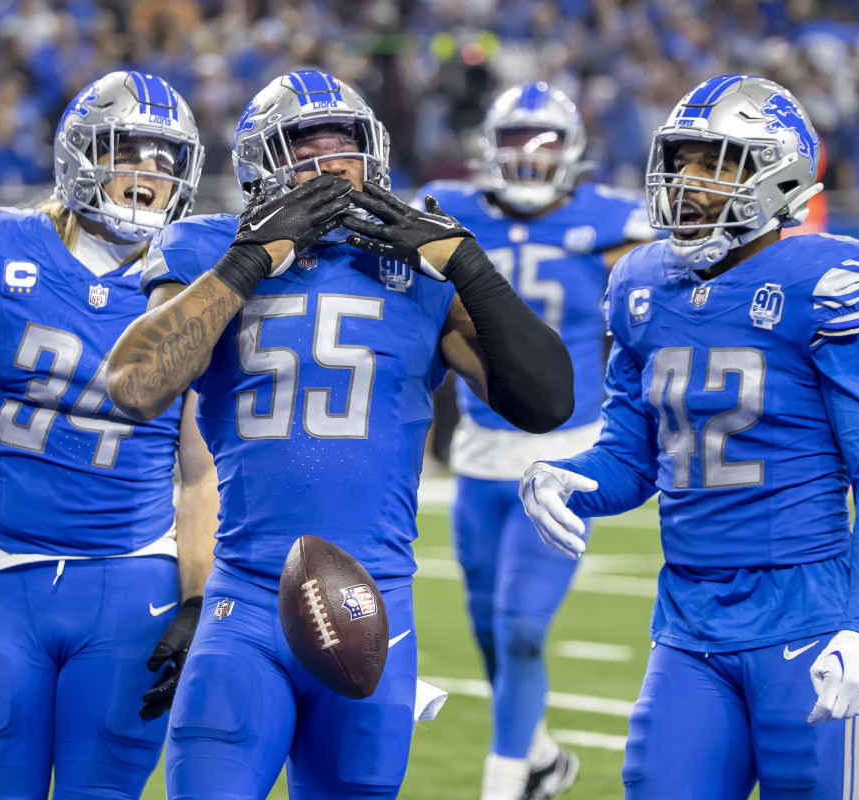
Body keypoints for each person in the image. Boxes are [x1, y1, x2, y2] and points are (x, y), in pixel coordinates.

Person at [104, 69, 577, 799]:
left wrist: (467, 264)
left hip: (374, 606)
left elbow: (547, 401)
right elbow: (134, 386)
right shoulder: (209, 248)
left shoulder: (417, 266)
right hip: (245, 605)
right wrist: (253, 257)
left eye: (345, 145)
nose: (330, 165)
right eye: (305, 147)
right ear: (264, 164)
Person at [519, 75, 859, 799]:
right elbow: (629, 460)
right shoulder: (640, 283)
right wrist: (565, 476)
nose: (689, 183)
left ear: (781, 172)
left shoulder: (826, 280)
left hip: (807, 616)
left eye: (716, 163)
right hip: (689, 621)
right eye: (683, 160)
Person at [0, 71, 218, 800]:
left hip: (133, 576)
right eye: (132, 151)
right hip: (4, 570)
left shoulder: (197, 273)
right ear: (82, 154)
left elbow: (200, 468)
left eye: (167, 159)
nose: (151, 176)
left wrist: (194, 601)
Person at [414, 81, 654, 800]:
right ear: (489, 146)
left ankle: (507, 783)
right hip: (479, 458)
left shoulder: (612, 220)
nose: (527, 155)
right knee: (490, 631)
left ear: (572, 148)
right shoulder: (445, 209)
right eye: (514, 139)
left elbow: (677, 279)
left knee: (520, 627)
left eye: (542, 140)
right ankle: (542, 756)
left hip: (563, 456)